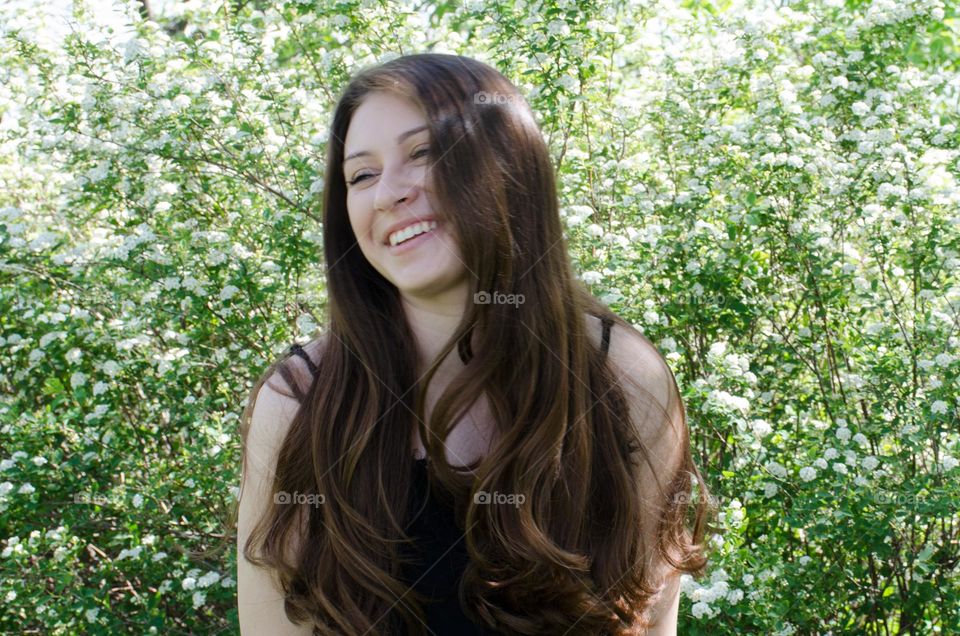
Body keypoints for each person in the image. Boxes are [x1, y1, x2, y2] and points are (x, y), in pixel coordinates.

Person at [235, 53, 715, 636]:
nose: (387, 194)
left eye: (423, 152)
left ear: (509, 165)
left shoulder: (622, 376)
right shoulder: (299, 402)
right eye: (361, 175)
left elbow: (647, 619)